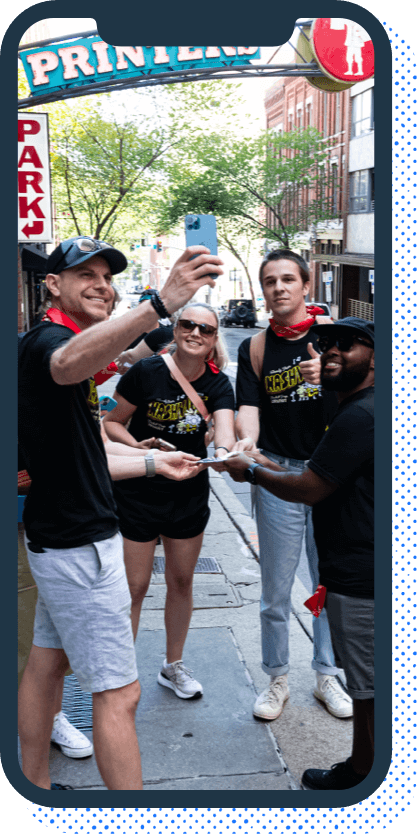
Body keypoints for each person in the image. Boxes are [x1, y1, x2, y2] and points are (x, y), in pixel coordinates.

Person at [18, 235, 223, 791]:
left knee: (46, 664)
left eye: (107, 277)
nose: (101, 285)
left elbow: (88, 455)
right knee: (120, 693)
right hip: (81, 546)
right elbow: (64, 364)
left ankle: (34, 782)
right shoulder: (51, 343)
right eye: (85, 274)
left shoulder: (74, 353)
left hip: (60, 539)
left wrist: (155, 464)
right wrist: (160, 303)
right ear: (52, 285)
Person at [223, 316, 374, 789]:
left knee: (369, 691)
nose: (331, 351)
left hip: (361, 577)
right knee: (368, 689)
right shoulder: (358, 408)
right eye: (327, 344)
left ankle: (364, 772)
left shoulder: (360, 414)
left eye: (348, 345)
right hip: (353, 565)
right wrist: (262, 459)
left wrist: (249, 473)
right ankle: (357, 766)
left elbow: (312, 485)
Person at [233, 249, 352, 721]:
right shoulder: (255, 348)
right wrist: (246, 447)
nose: (279, 287)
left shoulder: (339, 340)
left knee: (331, 584)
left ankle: (327, 674)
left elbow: (367, 398)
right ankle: (277, 677)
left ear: (306, 285)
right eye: (269, 281)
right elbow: (249, 409)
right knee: (276, 590)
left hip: (332, 474)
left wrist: (328, 375)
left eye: (288, 279)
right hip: (281, 475)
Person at [102, 302, 236, 699]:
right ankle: (121, 674)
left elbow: (225, 434)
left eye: (205, 330)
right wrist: (141, 449)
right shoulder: (146, 372)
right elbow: (110, 422)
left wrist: (226, 453)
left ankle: (172, 665)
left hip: (187, 496)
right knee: (135, 586)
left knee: (181, 581)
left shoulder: (217, 385)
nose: (195, 333)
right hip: (138, 491)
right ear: (176, 329)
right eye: (188, 325)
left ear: (213, 341)